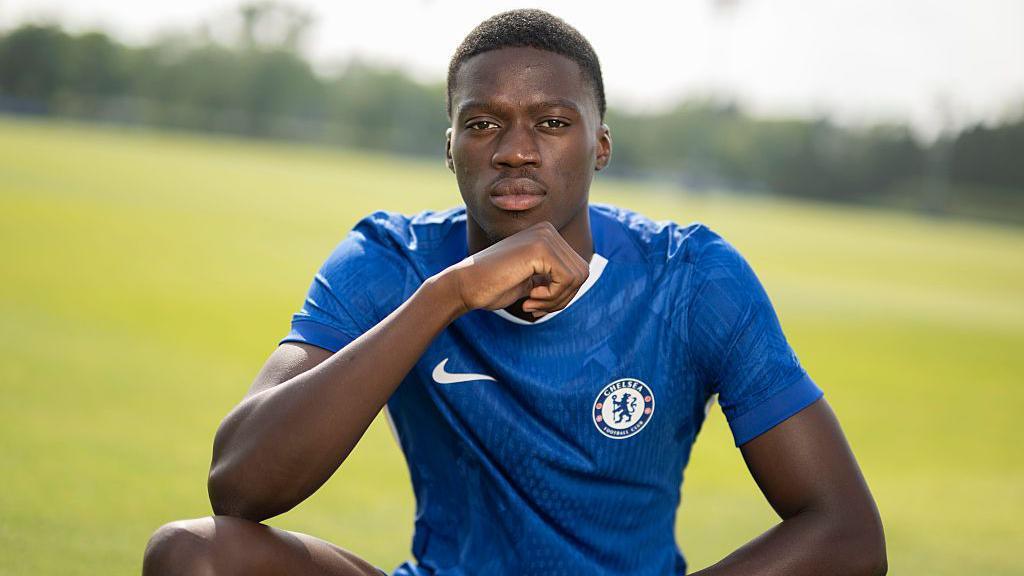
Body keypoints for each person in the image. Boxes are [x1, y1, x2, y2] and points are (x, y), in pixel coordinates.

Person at [143, 9, 886, 576]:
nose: (515, 150)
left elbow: (847, 531)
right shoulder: (392, 260)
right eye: (483, 123)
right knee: (191, 554)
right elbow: (239, 488)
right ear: (451, 147)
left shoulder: (690, 279)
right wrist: (448, 295)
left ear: (600, 145)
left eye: (553, 123)